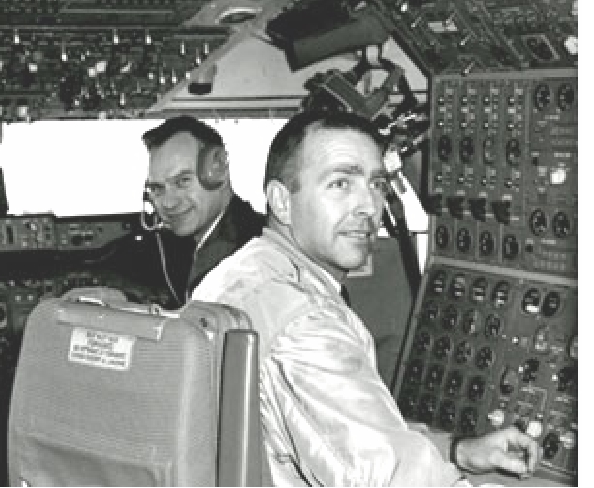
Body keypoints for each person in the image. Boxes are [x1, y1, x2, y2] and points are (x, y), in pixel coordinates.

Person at [192, 110, 540, 485]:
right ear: (281, 202)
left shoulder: (243, 272)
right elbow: (389, 480)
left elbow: (344, 435)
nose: (368, 207)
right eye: (341, 183)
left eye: (376, 184)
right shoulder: (303, 322)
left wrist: (457, 452)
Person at [136, 115, 264, 307]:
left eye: (183, 181)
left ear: (218, 170)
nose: (169, 203)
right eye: (157, 189)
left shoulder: (251, 251)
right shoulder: (190, 241)